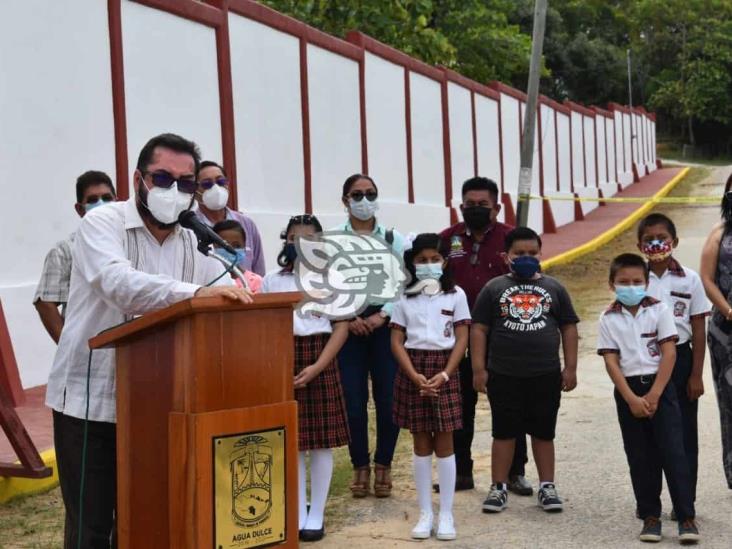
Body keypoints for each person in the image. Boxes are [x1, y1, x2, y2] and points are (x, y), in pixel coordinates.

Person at [46, 133, 252, 548]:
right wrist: (195, 294)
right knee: (91, 528)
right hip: (91, 403)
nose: (174, 191)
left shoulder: (192, 241)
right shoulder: (102, 223)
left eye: (186, 182)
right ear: (139, 178)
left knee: (147, 519)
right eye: (163, 178)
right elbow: (119, 285)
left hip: (159, 402)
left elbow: (220, 293)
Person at [471, 227, 579, 514]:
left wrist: (570, 367)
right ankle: (498, 487)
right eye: (520, 253)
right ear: (507, 256)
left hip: (545, 373)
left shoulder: (554, 288)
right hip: (504, 374)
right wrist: (478, 368)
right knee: (504, 432)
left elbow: (568, 327)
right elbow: (479, 329)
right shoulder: (494, 288)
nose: (526, 258)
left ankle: (547, 486)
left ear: (541, 254)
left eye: (532, 253)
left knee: (544, 432)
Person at [597, 253, 699, 543]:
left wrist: (655, 393)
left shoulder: (660, 310)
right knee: (640, 455)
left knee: (673, 452)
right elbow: (611, 361)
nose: (631, 286)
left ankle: (686, 517)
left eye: (637, 281)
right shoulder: (608, 318)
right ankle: (650, 516)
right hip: (628, 391)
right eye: (623, 282)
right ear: (612, 285)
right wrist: (630, 398)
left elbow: (670, 352)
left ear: (646, 283)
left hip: (660, 388)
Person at [438, 176, 530, 495]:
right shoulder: (446, 240)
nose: (475, 209)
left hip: (503, 338)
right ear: (460, 206)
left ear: (497, 207)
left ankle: (515, 472)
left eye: (483, 205)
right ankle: (462, 473)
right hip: (456, 339)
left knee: (510, 406)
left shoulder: (511, 239)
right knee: (458, 407)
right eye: (469, 205)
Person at [261, 214, 350, 542]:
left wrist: (319, 366)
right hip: (284, 355)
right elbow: (266, 325)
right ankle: (297, 511)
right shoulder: (272, 279)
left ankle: (317, 513)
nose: (299, 245)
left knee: (321, 442)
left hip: (320, 356)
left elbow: (341, 326)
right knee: (293, 440)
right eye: (292, 238)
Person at [390, 233, 470, 541]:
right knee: (421, 442)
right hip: (414, 370)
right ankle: (425, 512)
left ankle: (446, 513)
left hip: (444, 370)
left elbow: (462, 337)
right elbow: (397, 340)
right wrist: (413, 375)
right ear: (412, 263)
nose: (428, 265)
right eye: (422, 260)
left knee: (445, 443)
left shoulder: (456, 295)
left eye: (434, 260)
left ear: (444, 262)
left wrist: (447, 374)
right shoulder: (404, 297)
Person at [333, 173, 407, 498]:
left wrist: (382, 315)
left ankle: (384, 465)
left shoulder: (394, 239)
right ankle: (359, 465)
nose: (364, 200)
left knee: (388, 398)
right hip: (346, 327)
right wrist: (349, 316)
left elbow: (405, 283)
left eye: (370, 193)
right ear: (345, 200)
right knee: (352, 399)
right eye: (356, 194)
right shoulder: (333, 239)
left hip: (384, 324)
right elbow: (326, 285)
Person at [638, 213, 709, 517]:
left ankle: (685, 503)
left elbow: (698, 328)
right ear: (640, 245)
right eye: (648, 239)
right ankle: (647, 503)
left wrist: (696, 374)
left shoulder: (690, 279)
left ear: (675, 242)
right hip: (644, 361)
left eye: (662, 238)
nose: (656, 244)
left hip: (680, 361)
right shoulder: (635, 279)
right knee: (645, 436)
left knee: (683, 436)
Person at [34, 171, 116, 343]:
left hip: (128, 347)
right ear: (80, 209)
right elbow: (45, 303)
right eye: (92, 200)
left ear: (116, 201)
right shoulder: (65, 250)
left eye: (107, 197)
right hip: (87, 350)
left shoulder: (128, 242)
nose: (102, 204)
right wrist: (68, 347)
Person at [700, 172, 732, 491]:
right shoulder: (719, 232)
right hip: (727, 331)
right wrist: (728, 310)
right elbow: (707, 278)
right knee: (729, 398)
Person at [194, 160, 265, 275]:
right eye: (207, 184)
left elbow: (258, 271)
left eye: (221, 182)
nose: (216, 188)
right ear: (195, 191)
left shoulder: (247, 224)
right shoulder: (190, 227)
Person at [212, 219, 263, 292]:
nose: (230, 250)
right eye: (223, 245)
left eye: (236, 246)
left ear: (245, 248)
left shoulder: (255, 281)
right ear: (213, 246)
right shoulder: (207, 279)